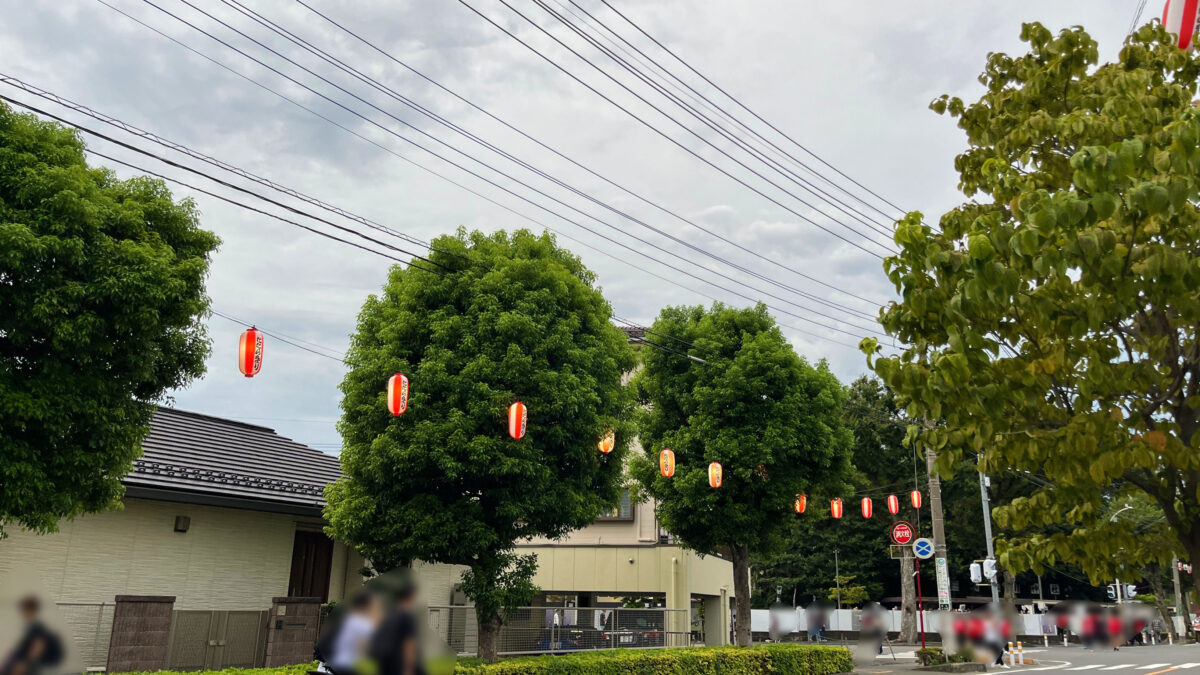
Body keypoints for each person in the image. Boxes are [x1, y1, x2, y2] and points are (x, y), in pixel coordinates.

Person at [368, 581, 424, 675]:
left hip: (385, 663)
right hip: (399, 665)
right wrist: (408, 669)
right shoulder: (407, 617)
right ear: (411, 598)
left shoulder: (389, 616)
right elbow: (408, 644)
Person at [0, 596, 63, 675]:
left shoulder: (38, 627)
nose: (23, 613)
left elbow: (37, 649)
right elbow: (22, 647)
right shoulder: (30, 626)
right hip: (21, 659)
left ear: (32, 611)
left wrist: (24, 665)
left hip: (29, 664)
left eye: (24, 610)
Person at [328, 592, 378, 674]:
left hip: (339, 661)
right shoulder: (363, 623)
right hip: (352, 665)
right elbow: (365, 645)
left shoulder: (349, 619)